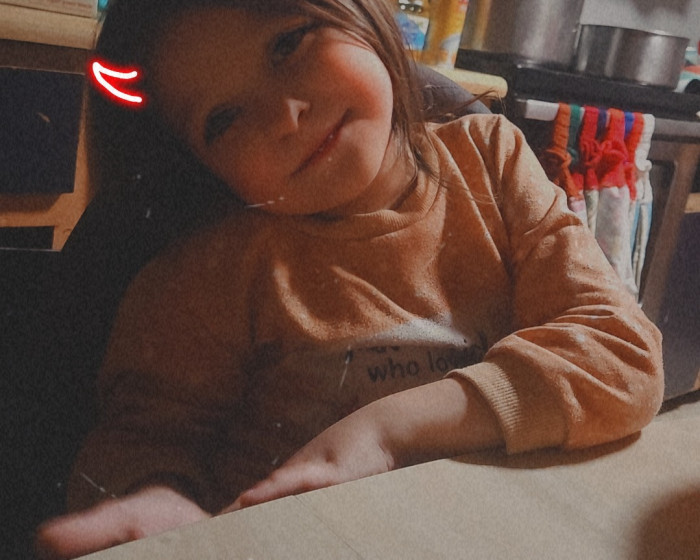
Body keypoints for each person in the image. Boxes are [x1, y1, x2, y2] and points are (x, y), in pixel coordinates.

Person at [36, 0, 664, 557]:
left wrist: (387, 431)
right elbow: (138, 440)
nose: (285, 116)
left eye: (289, 43)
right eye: (222, 118)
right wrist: (157, 500)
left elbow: (622, 352)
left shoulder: (490, 161)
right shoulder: (207, 273)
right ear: (201, 166)